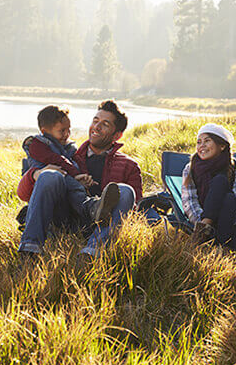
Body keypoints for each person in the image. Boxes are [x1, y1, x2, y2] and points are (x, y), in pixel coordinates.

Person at [17, 100, 142, 266]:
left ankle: (91, 254)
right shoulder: (69, 155)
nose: (96, 127)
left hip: (100, 226)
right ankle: (29, 252)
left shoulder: (129, 165)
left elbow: (134, 210)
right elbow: (23, 194)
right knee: (50, 176)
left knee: (126, 191)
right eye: (95, 121)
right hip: (64, 218)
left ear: (116, 135)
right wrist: (35, 174)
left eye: (104, 124)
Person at [181, 124, 236, 251]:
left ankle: (219, 245)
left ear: (222, 146)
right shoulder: (191, 168)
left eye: (207, 141)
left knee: (228, 196)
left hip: (228, 219)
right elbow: (189, 201)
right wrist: (200, 222)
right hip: (201, 218)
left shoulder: (235, 167)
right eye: (198, 142)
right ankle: (209, 234)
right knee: (221, 182)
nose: (201, 145)